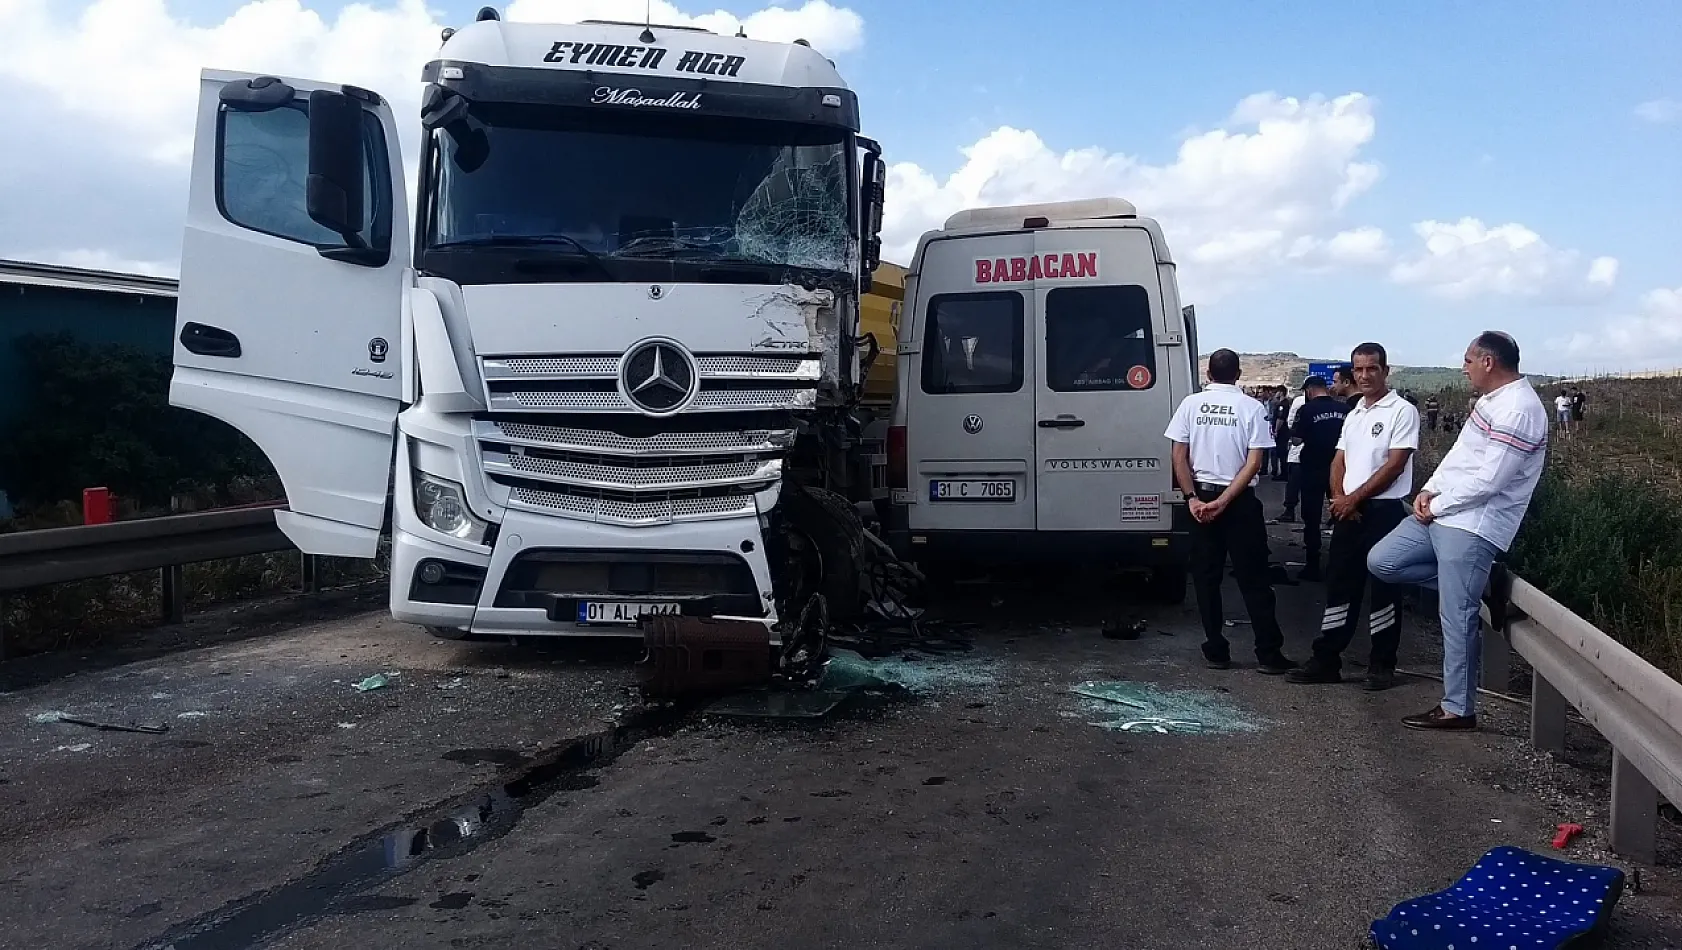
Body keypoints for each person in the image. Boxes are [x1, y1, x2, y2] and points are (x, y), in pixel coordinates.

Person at [1368, 331, 1548, 731]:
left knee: (1457, 617)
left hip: (1472, 524)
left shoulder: (1518, 410)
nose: (1463, 367)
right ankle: (1481, 581)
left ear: (1488, 362)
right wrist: (1429, 488)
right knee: (1382, 561)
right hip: (1443, 512)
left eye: (1468, 360)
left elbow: (1491, 480)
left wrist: (1438, 505)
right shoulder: (1492, 401)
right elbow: (1462, 456)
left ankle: (1458, 708)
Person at [1289, 343, 1419, 690]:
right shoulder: (1354, 412)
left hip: (1383, 511)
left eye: (1371, 369)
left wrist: (1354, 498)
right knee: (1340, 584)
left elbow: (1395, 464)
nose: (1364, 375)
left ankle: (1382, 665)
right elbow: (1339, 460)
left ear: (1385, 371)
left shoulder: (1402, 411)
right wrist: (1339, 498)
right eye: (1358, 369)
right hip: (1348, 509)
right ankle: (1326, 659)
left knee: (1384, 588)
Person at [1164, 350, 1298, 674]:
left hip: (1200, 499)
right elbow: (1255, 463)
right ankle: (1268, 653)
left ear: (1208, 374)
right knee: (1254, 579)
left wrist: (1192, 499)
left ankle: (1215, 648)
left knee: (1206, 578)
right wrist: (1224, 502)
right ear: (1238, 375)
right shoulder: (1251, 408)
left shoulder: (1190, 405)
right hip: (1238, 502)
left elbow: (1178, 456)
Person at [1287, 376, 1347, 581]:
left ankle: (1313, 565)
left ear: (1310, 390)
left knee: (1311, 517)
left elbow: (1296, 440)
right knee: (1341, 515)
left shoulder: (1307, 410)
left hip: (1313, 468)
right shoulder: (1345, 410)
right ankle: (1339, 564)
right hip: (1341, 470)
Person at [1279, 383, 1309, 520]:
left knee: (1293, 483)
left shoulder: (1298, 402)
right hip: (1318, 452)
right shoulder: (1329, 404)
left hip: (1298, 449)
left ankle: (1289, 510)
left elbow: (1290, 422)